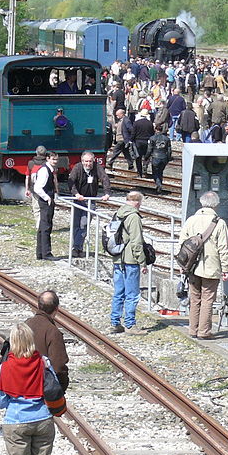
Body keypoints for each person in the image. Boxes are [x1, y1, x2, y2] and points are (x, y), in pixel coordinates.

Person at [0, 323, 58, 455]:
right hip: (43, 419)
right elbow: (54, 388)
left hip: (16, 420)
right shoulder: (43, 362)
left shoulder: (3, 368)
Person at [179, 192, 228, 340]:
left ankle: (193, 329)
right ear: (216, 204)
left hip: (192, 266)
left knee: (195, 298)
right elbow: (224, 248)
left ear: (201, 203)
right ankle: (204, 331)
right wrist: (225, 268)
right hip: (210, 267)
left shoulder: (191, 220)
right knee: (207, 298)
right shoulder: (219, 223)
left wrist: (183, 265)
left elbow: (181, 242)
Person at [110, 191, 149, 335]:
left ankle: (115, 322)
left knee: (118, 292)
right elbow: (136, 242)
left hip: (117, 258)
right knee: (132, 293)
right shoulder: (133, 217)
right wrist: (142, 262)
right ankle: (130, 325)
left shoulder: (118, 213)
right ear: (138, 202)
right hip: (130, 260)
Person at [68, 151, 111, 257]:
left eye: (90, 161)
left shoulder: (97, 167)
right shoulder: (77, 168)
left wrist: (107, 193)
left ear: (93, 160)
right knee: (77, 224)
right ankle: (76, 248)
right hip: (78, 199)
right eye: (86, 161)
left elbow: (105, 178)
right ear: (82, 161)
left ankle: (77, 247)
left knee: (85, 223)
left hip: (90, 199)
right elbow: (71, 181)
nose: (88, 164)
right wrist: (76, 194)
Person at [25, 290, 69, 392]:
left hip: (22, 383)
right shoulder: (53, 332)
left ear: (39, 306)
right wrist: (61, 388)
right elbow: (59, 366)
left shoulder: (26, 325)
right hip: (42, 388)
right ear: (56, 309)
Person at [33, 152, 59, 261]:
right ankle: (46, 253)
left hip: (46, 200)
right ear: (48, 159)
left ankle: (40, 252)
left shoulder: (47, 170)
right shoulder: (45, 171)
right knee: (46, 226)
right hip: (45, 202)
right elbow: (37, 188)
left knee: (43, 226)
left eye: (56, 160)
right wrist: (47, 197)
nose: (55, 162)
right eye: (53, 159)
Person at [25, 146, 47, 227]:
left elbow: (27, 177)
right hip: (45, 190)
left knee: (36, 208)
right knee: (44, 208)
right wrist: (56, 190)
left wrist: (27, 189)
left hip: (34, 189)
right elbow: (54, 178)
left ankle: (39, 225)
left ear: (36, 152)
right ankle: (43, 224)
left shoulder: (31, 163)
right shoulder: (47, 164)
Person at [146, 123, 172, 191]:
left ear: (155, 130)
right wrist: (168, 158)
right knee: (160, 172)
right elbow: (169, 150)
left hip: (155, 157)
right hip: (163, 157)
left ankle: (158, 184)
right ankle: (159, 184)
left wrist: (146, 157)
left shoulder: (152, 138)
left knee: (155, 172)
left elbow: (149, 149)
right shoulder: (166, 139)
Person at [132, 109, 154, 178]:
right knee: (146, 156)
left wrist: (131, 140)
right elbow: (152, 133)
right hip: (147, 141)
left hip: (138, 141)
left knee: (138, 157)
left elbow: (133, 133)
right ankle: (145, 167)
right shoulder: (150, 123)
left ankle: (139, 172)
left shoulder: (136, 123)